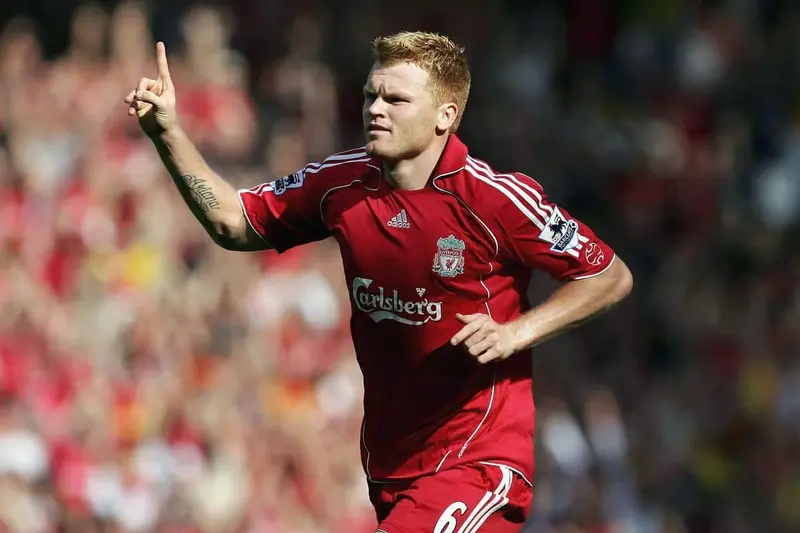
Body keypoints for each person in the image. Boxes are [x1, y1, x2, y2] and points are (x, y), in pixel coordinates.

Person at [125, 32, 633, 533]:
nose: (376, 109)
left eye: (396, 99)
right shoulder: (340, 184)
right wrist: (168, 134)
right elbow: (234, 223)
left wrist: (516, 332)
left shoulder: (494, 199)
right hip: (393, 466)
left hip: (477, 461)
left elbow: (608, 275)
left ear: (445, 116)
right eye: (371, 95)